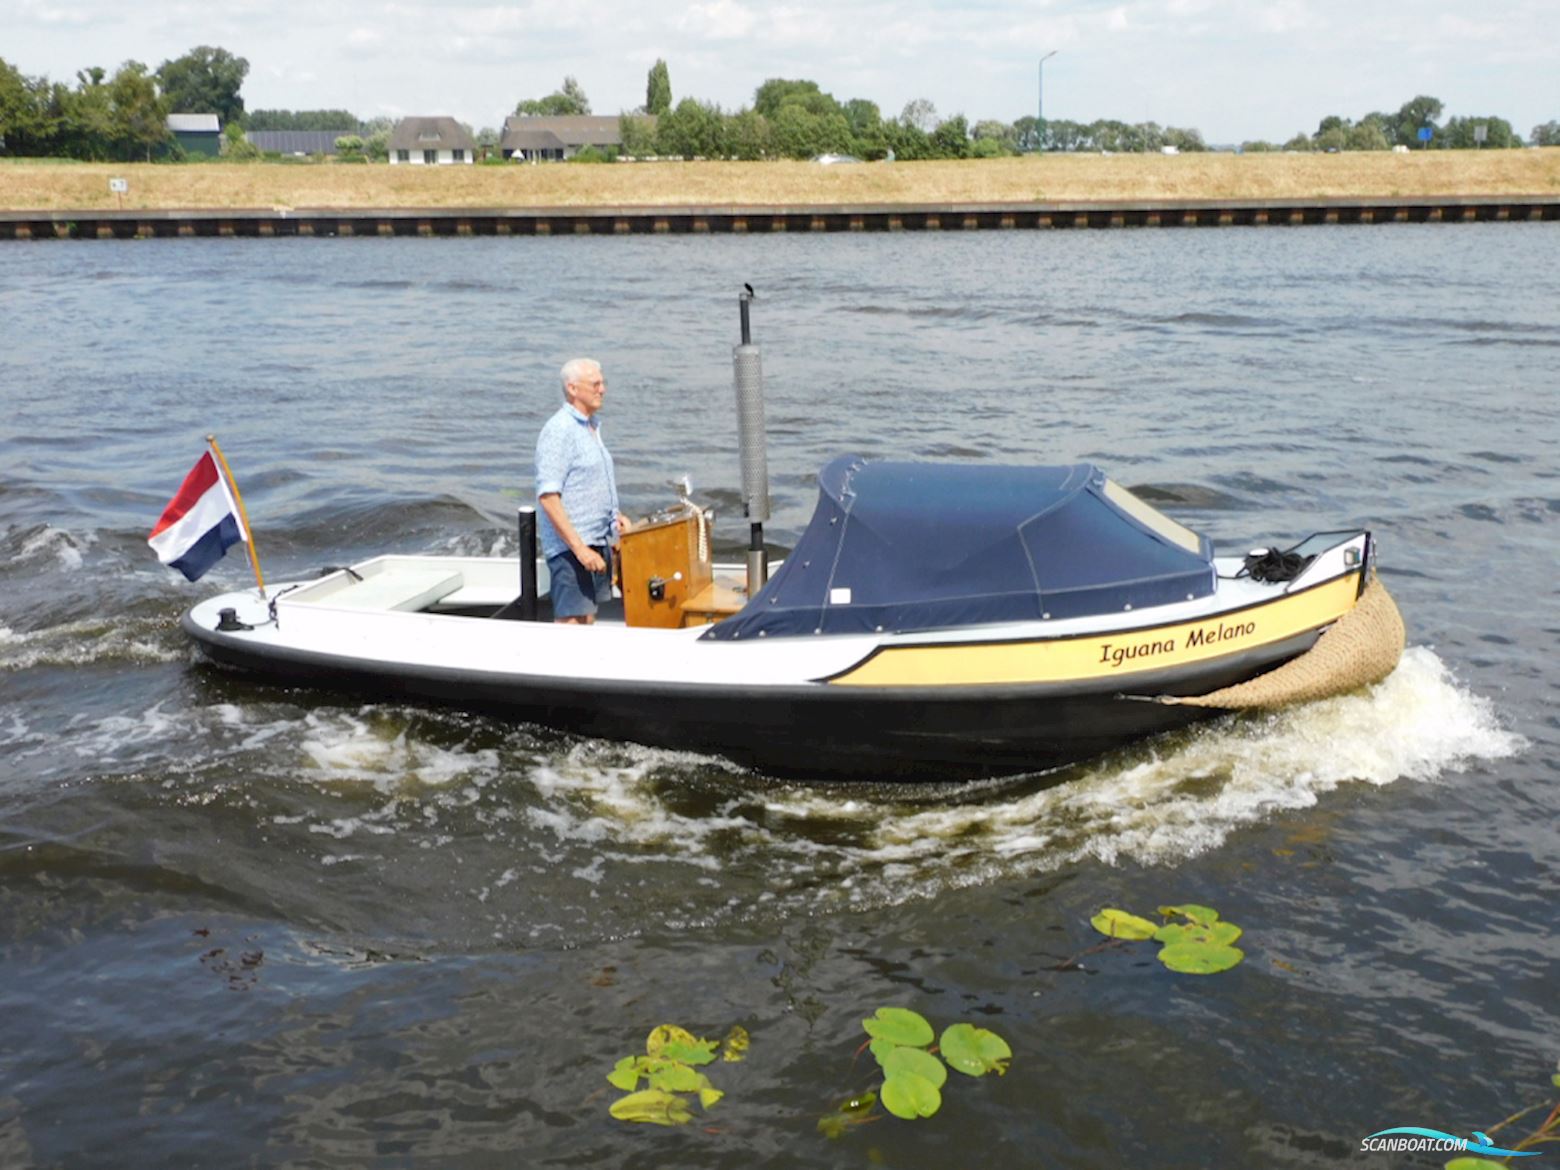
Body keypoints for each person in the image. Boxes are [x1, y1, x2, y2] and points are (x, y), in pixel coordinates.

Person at [534, 357, 629, 624]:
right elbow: (548, 498)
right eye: (595, 384)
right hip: (571, 548)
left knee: (587, 618)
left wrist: (615, 517)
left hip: (595, 541)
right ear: (573, 388)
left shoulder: (591, 427)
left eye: (603, 383)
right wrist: (580, 550)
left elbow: (589, 482)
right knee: (572, 622)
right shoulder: (560, 430)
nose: (603, 389)